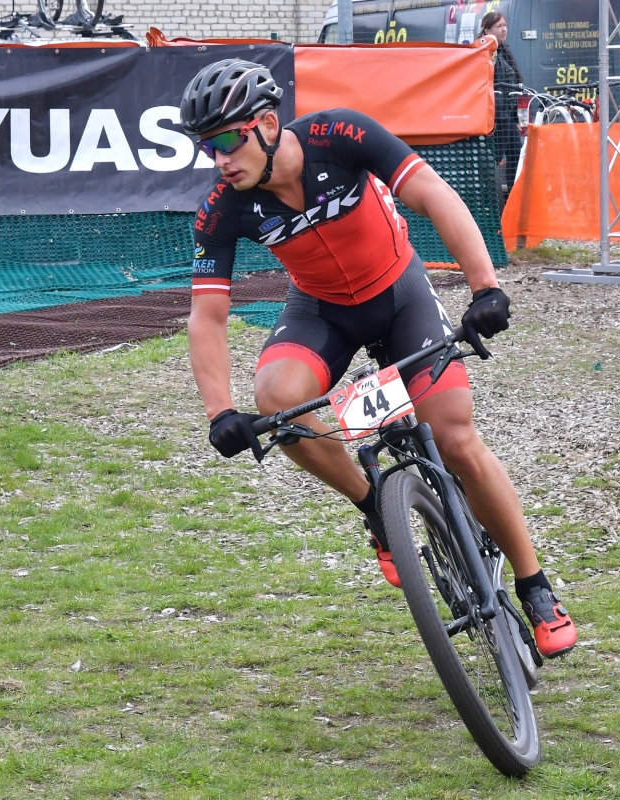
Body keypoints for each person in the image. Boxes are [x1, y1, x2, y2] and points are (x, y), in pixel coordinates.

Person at [180, 60, 578, 658]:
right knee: (277, 401)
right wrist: (219, 411)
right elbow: (207, 317)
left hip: (400, 296)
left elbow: (433, 195)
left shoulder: (340, 135)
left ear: (266, 124)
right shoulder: (223, 207)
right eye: (207, 148)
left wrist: (485, 288)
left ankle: (534, 584)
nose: (220, 159)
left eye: (228, 141)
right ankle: (376, 508)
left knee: (455, 438)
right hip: (323, 313)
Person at [482, 12, 523, 195]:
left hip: (507, 116)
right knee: (496, 157)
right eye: (499, 26)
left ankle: (512, 196)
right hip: (497, 117)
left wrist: (514, 116)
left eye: (505, 25)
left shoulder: (502, 49)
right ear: (487, 30)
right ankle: (490, 197)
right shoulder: (486, 51)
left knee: (516, 154)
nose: (504, 29)